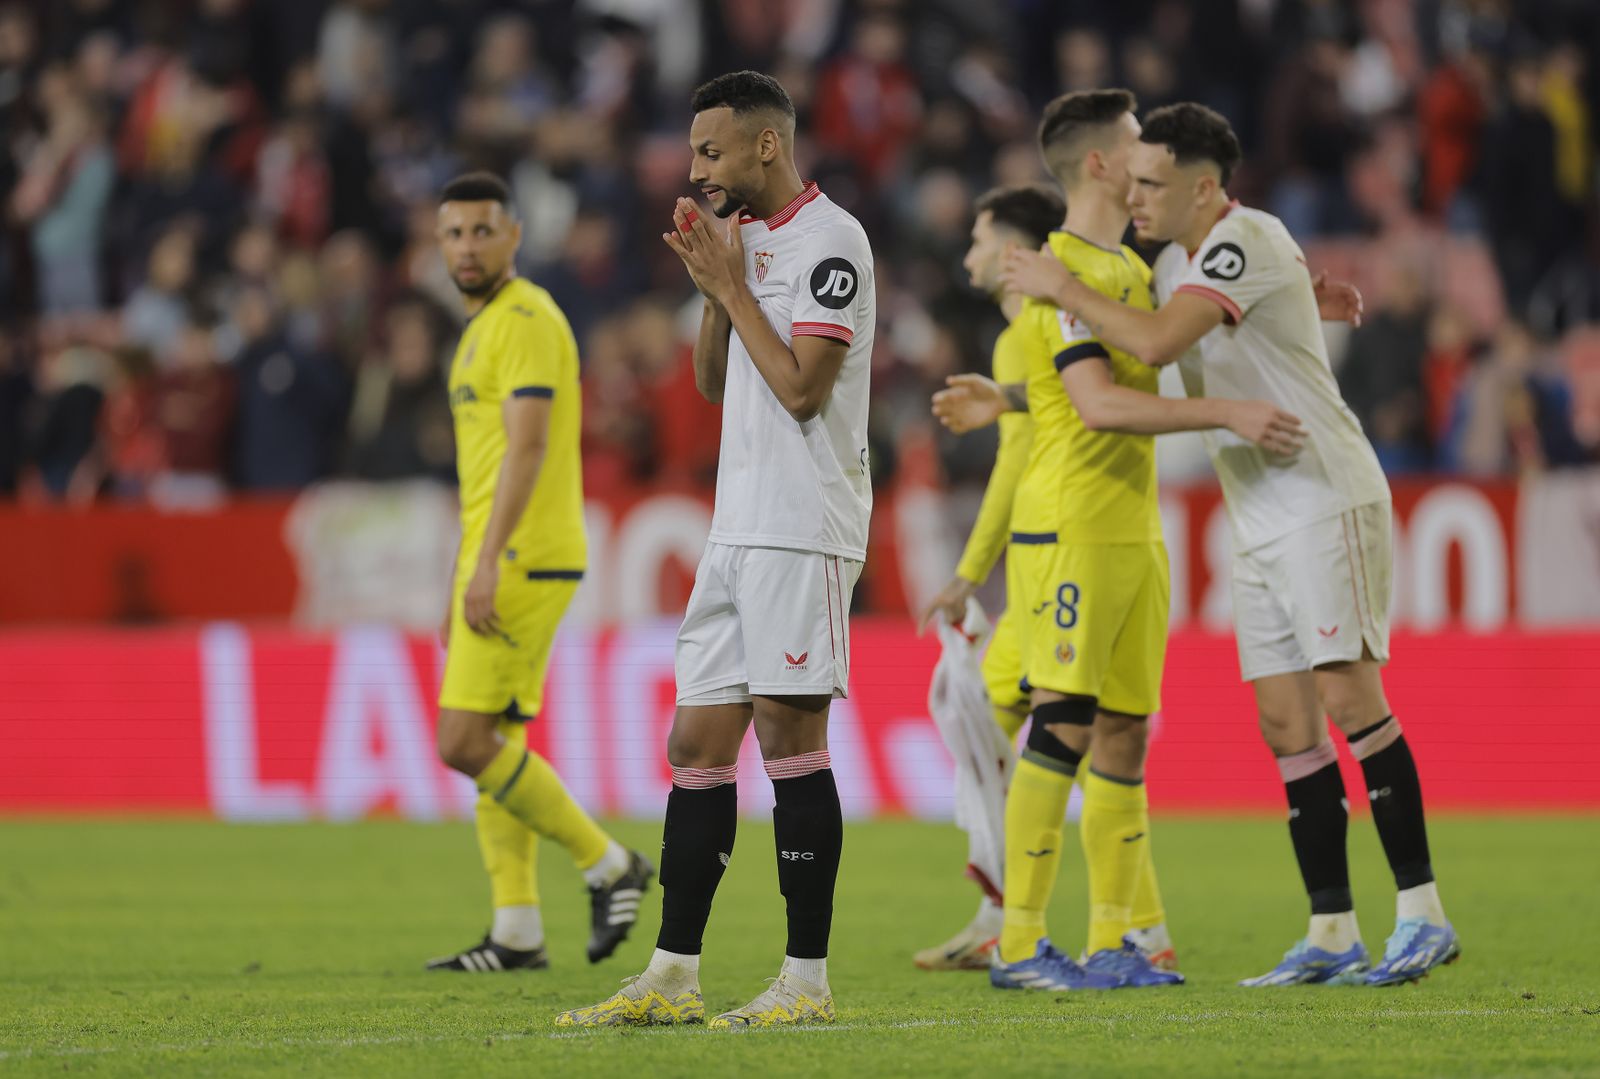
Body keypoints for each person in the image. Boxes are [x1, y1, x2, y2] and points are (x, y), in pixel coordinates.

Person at [1000, 102, 1458, 987]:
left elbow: (1159, 339)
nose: (1137, 196)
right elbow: (1150, 349)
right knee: (1285, 720)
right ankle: (1331, 928)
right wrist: (1304, 293)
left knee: (1347, 695)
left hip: (1321, 493)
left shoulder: (1239, 237)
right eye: (1132, 178)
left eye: (1155, 184)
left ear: (1204, 188)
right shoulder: (1185, 256)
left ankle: (1423, 911)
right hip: (1257, 510)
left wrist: (1065, 290)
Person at [932, 89, 1302, 994]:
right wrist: (1227, 413)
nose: (1152, 156)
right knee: (1061, 720)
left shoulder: (1130, 273)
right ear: (1101, 164)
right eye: (1139, 143)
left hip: (1134, 530)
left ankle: (1115, 942)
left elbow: (1081, 382)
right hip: (1071, 528)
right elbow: (1097, 403)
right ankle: (1019, 942)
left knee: (1125, 736)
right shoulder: (1051, 268)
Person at [557, 70, 875, 1028]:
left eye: (710, 152)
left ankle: (805, 982)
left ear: (765, 146)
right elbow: (709, 382)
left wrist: (732, 282)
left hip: (802, 523)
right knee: (694, 744)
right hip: (735, 526)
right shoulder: (745, 243)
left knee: (789, 738)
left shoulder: (833, 243)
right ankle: (672, 973)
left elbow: (803, 389)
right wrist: (711, 287)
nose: (694, 171)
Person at [914, 182, 1176, 975]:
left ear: (1020, 250)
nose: (969, 256)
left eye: (981, 238)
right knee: (1083, 739)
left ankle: (1015, 923)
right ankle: (1132, 926)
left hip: (1055, 550)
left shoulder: (1028, 328)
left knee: (1010, 730)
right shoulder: (1045, 324)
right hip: (1081, 540)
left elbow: (1018, 460)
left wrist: (967, 572)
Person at [425, 171, 651, 974]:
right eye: (453, 233)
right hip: (500, 551)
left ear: (514, 236)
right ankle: (517, 929)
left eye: (483, 230)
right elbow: (483, 467)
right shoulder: (482, 328)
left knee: (462, 738)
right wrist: (459, 576)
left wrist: (487, 563)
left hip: (522, 552)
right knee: (498, 736)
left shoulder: (524, 317)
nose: (467, 246)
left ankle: (609, 863)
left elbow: (527, 448)